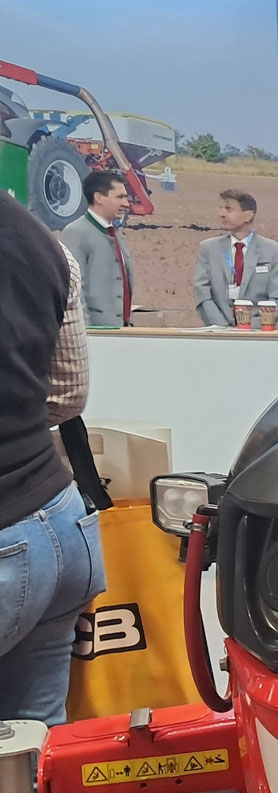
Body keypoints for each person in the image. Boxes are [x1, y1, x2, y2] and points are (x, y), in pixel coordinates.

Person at [0, 192, 105, 727]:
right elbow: (68, 395)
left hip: (8, 540)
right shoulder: (44, 242)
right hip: (59, 521)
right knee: (35, 738)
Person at [193, 189, 278, 327]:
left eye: (229, 209)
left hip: (257, 333)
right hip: (219, 332)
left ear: (248, 216)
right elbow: (203, 293)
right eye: (221, 208)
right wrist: (223, 328)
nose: (222, 214)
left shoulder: (273, 251)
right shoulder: (209, 248)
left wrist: (248, 328)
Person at [59, 171, 134, 327]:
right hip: (96, 332)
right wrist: (87, 331)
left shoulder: (117, 235)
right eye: (119, 197)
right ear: (99, 198)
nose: (126, 204)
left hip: (122, 332)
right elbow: (74, 289)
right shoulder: (76, 233)